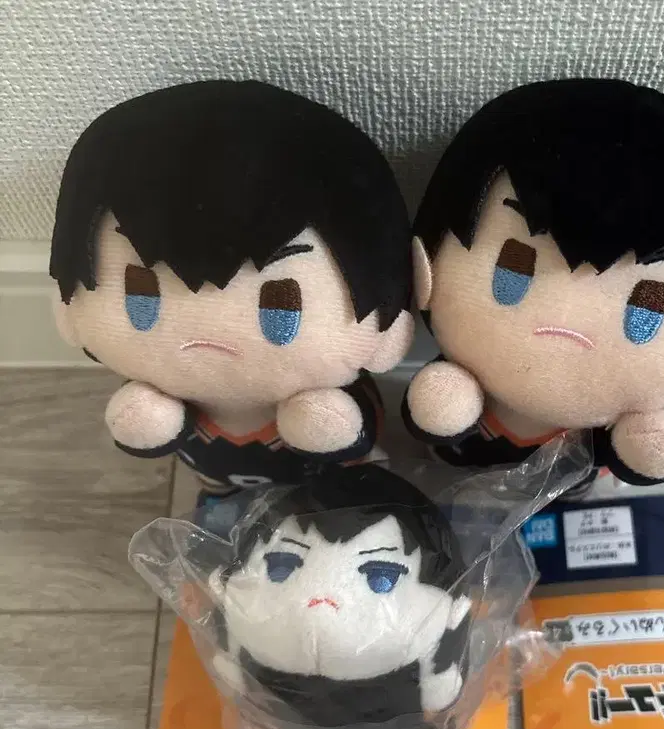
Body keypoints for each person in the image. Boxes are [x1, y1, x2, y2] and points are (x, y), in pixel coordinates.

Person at [51, 80, 414, 491]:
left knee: (345, 469)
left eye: (280, 305)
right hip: (213, 466)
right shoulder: (163, 395)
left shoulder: (324, 399)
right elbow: (144, 428)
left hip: (330, 482)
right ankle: (216, 491)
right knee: (209, 483)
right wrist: (146, 420)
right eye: (141, 296)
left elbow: (350, 431)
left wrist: (325, 425)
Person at [404, 79, 664, 485]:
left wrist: (643, 448)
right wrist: (444, 407)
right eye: (513, 267)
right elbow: (429, 418)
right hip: (464, 461)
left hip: (568, 476)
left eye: (647, 305)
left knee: (577, 484)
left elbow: (636, 456)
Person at [205, 465, 471, 729]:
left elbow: (440, 676)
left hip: (384, 716)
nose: (323, 601)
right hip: (285, 710)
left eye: (380, 576)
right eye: (282, 566)